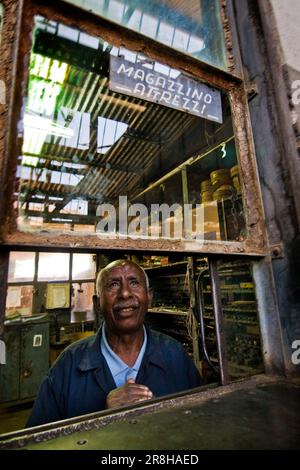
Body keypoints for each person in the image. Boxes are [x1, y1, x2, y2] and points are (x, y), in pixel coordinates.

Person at [26, 259, 202, 427]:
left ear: (149, 297)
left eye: (134, 283)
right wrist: (101, 417)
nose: (125, 293)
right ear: (97, 303)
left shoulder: (175, 355)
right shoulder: (68, 365)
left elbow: (199, 423)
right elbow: (35, 442)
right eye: (113, 284)